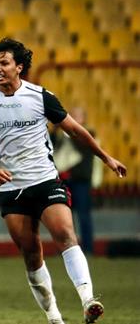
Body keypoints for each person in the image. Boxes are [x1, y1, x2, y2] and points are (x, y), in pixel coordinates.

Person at [0, 38, 126, 324]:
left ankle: (88, 300)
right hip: (12, 188)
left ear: (19, 67)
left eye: (4, 63)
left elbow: (75, 131)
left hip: (44, 180)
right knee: (31, 254)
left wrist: (106, 158)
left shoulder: (41, 97)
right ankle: (54, 316)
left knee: (66, 234)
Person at [53, 106, 98, 255]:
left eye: (77, 116)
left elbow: (80, 146)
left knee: (84, 216)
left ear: (84, 119)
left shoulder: (88, 133)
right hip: (65, 181)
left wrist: (67, 129)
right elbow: (52, 147)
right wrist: (54, 130)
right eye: (72, 116)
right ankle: (67, 249)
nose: (74, 118)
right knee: (65, 219)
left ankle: (88, 249)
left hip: (81, 181)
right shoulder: (63, 135)